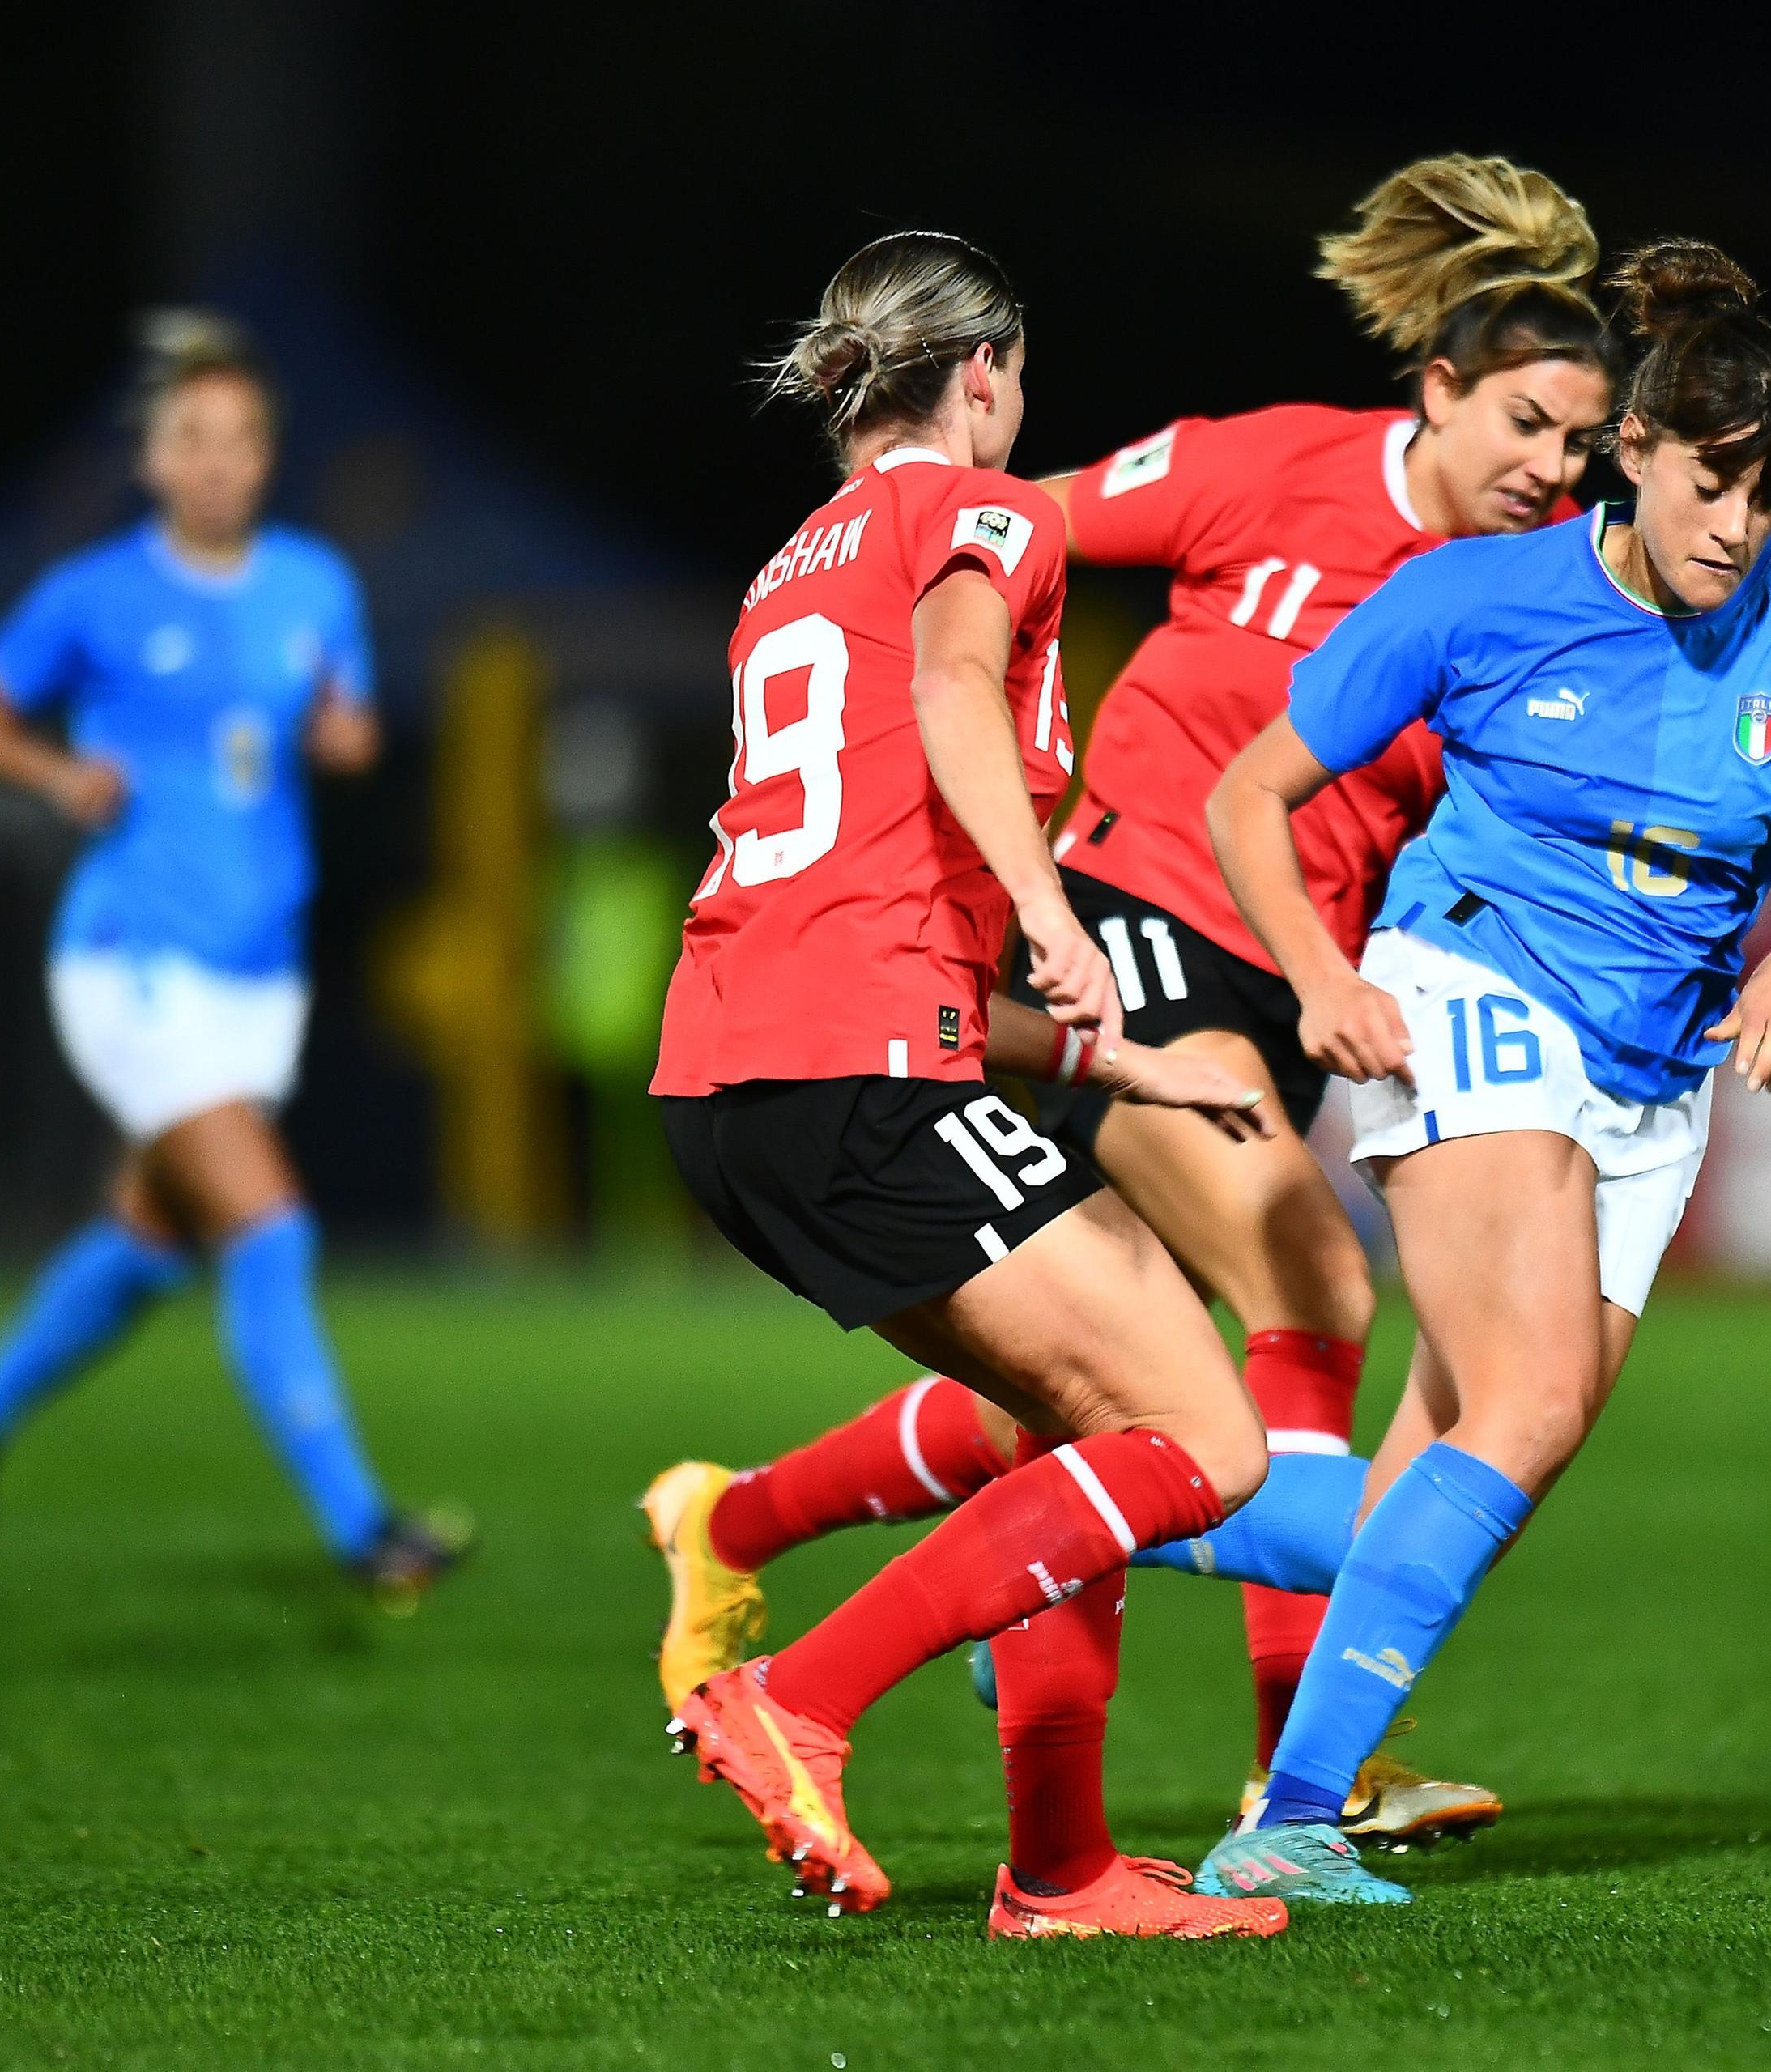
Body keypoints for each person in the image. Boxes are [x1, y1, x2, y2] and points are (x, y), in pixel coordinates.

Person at [639, 155, 1617, 1849]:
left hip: (1144, 996)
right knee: (1289, 1293)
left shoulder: (1525, 604)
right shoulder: (1256, 469)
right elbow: (1004, 563)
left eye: (1579, 447)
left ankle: (750, 1531)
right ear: (1439, 388)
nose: (1551, 470)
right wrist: (1035, 898)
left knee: (1075, 1399)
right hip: (1130, 905)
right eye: (1527, 425)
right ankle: (1295, 1765)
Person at [1174, 239, 1771, 1905]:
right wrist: (1315, 979)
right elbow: (1250, 798)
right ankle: (1288, 1815)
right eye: (1713, 480)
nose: (1740, 521)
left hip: (1659, 1076)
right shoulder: (1474, 594)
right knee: (1529, 1402)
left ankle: (1069, 1532)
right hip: (1469, 980)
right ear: (1633, 450)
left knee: (1474, 1464)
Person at [647, 229, 1293, 1941]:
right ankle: (800, 1693)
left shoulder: (789, 568)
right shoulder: (989, 513)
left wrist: (1117, 1051)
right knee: (1201, 1434)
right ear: (985, 372)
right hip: (854, 1071)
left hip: (734, 1085)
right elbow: (952, 690)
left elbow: (865, 903)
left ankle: (1063, 1867)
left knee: (1066, 1427)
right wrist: (1054, 908)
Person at [0, 311, 466, 1609]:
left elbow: (350, 727)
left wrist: (345, 740)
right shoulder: (94, 595)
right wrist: (59, 772)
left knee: (154, 1243)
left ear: (268, 459)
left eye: (241, 439)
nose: (217, 462)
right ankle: (364, 1530)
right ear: (152, 460)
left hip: (260, 975)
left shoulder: (313, 584)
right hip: (129, 962)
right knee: (268, 1227)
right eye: (191, 438)